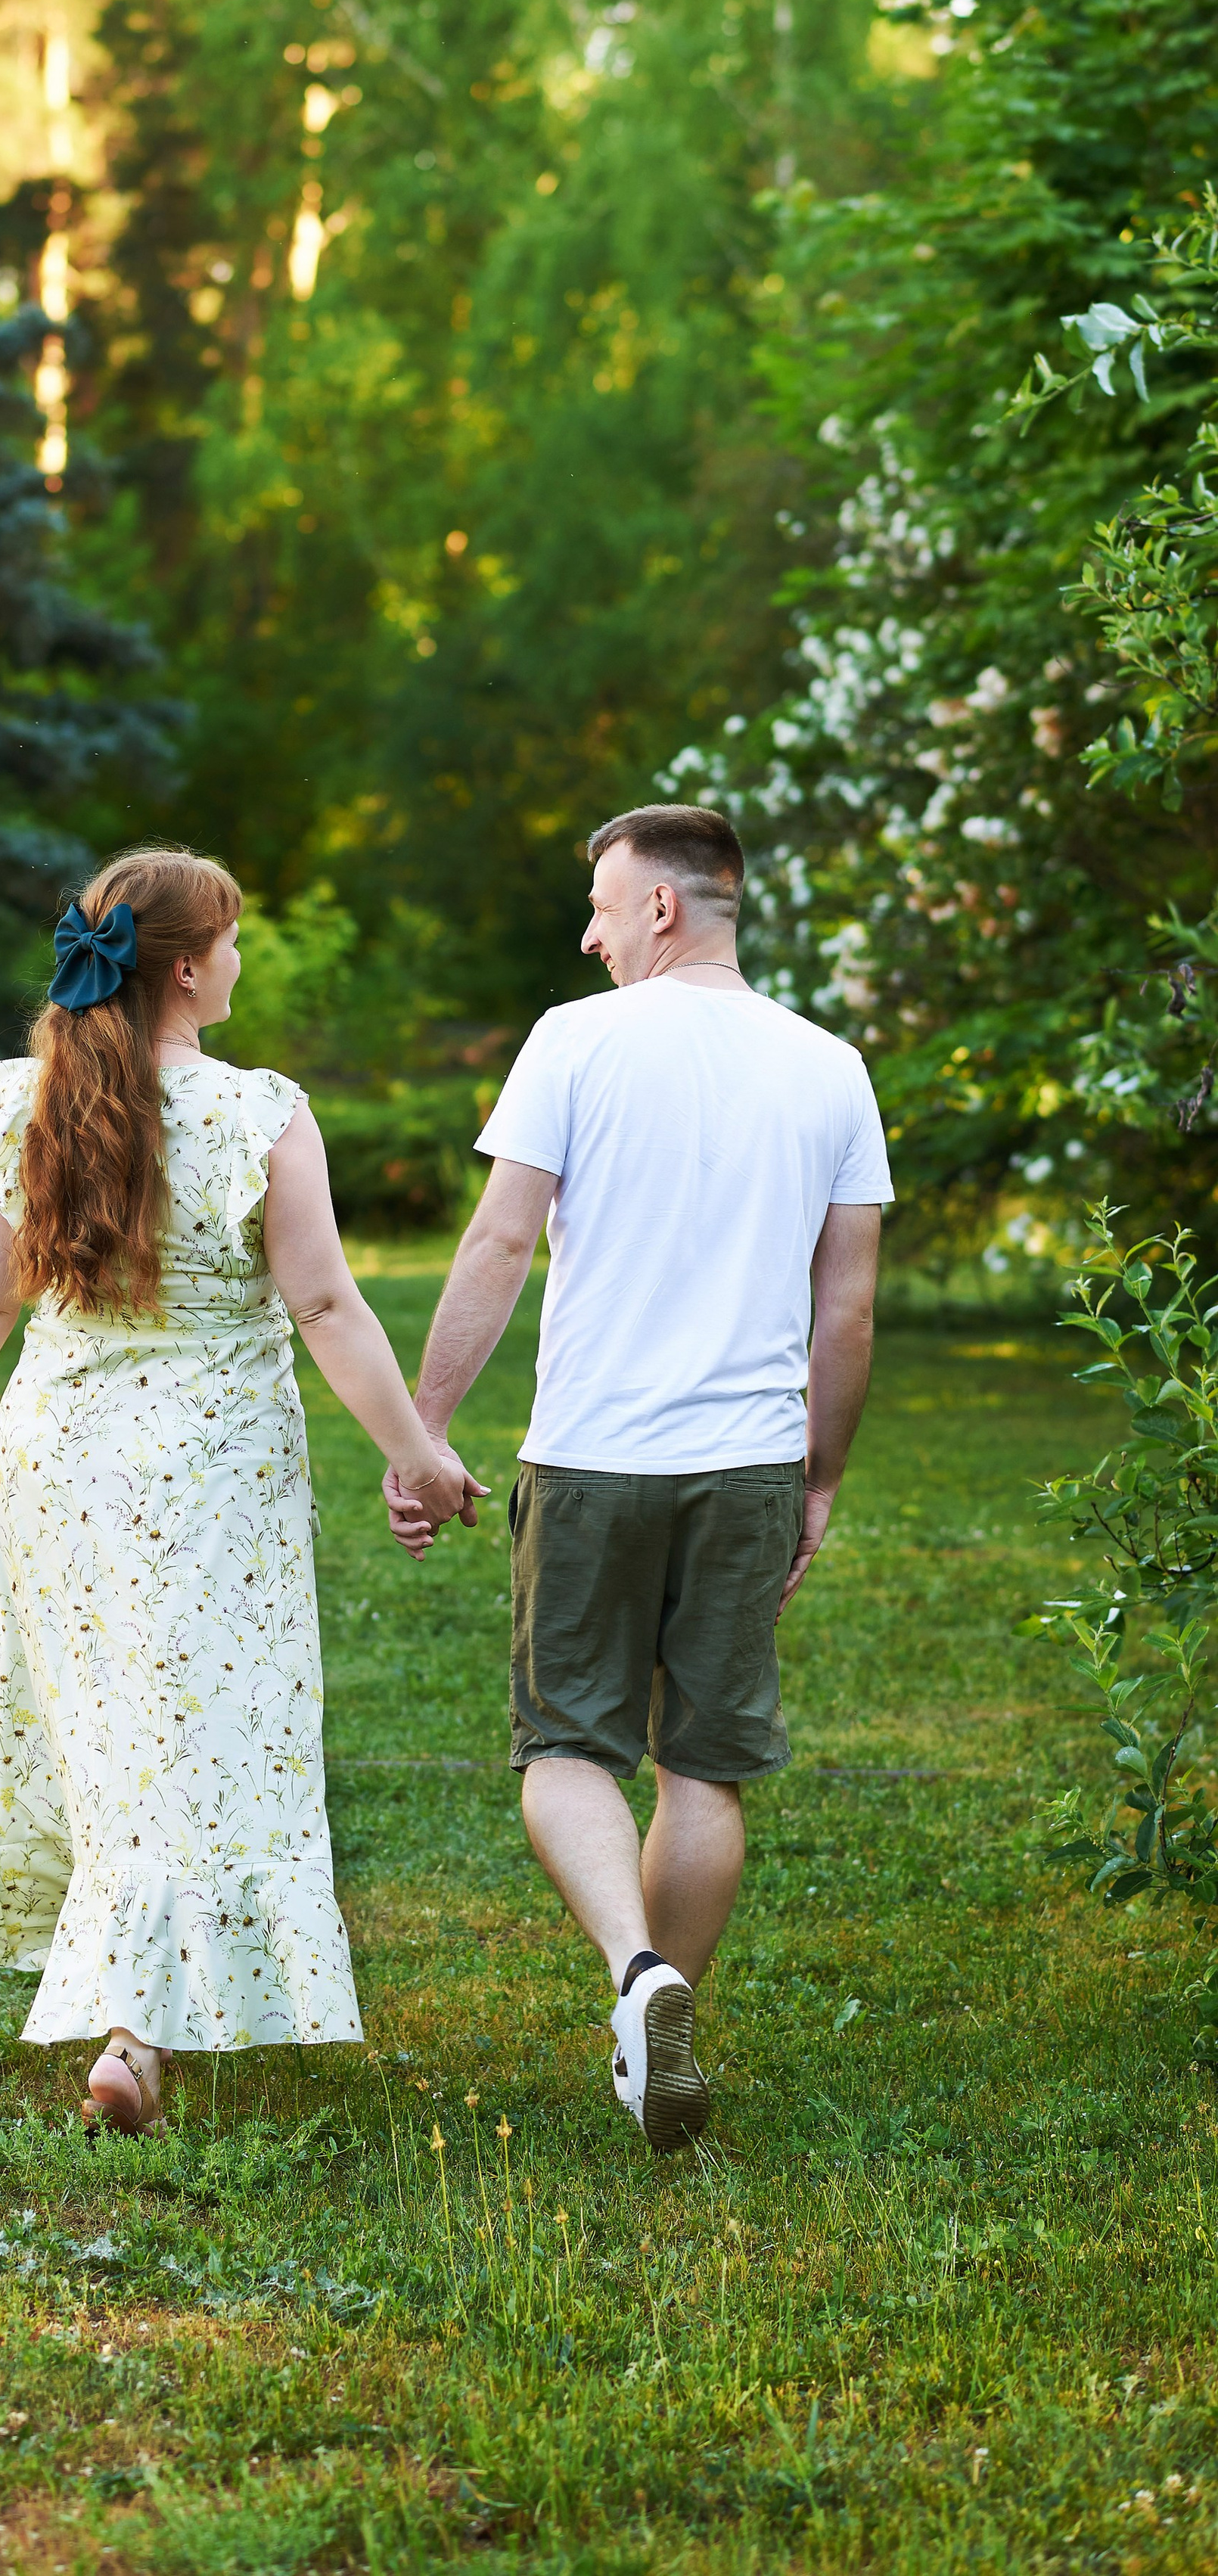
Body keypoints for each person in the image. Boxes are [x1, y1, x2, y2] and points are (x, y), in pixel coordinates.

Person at [0, 847, 474, 2136]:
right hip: (209, 1465)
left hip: (63, 1453)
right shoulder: (260, 1113)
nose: (242, 960)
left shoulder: (25, 1103)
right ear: (191, 970)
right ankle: (142, 2031)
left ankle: (130, 2017)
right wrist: (414, 1449)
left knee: (103, 1728)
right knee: (199, 1731)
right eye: (236, 941)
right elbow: (321, 1301)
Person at [385, 803, 889, 2152]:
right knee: (702, 1768)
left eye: (604, 906)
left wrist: (426, 1431)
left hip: (596, 1455)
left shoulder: (575, 1040)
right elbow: (845, 1311)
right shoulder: (832, 1066)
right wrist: (820, 1478)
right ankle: (661, 2019)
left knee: (564, 1743)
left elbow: (499, 1246)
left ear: (664, 908)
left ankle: (632, 1973)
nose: (590, 932)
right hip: (747, 1469)